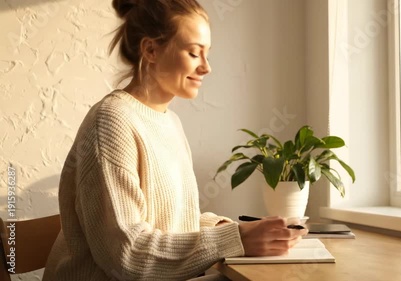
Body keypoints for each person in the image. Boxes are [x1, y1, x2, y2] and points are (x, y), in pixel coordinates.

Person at [42, 0, 308, 280]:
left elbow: (172, 222)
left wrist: (233, 229)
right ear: (151, 50)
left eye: (207, 54)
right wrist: (234, 239)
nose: (206, 67)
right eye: (194, 53)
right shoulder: (111, 121)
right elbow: (126, 255)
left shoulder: (170, 122)